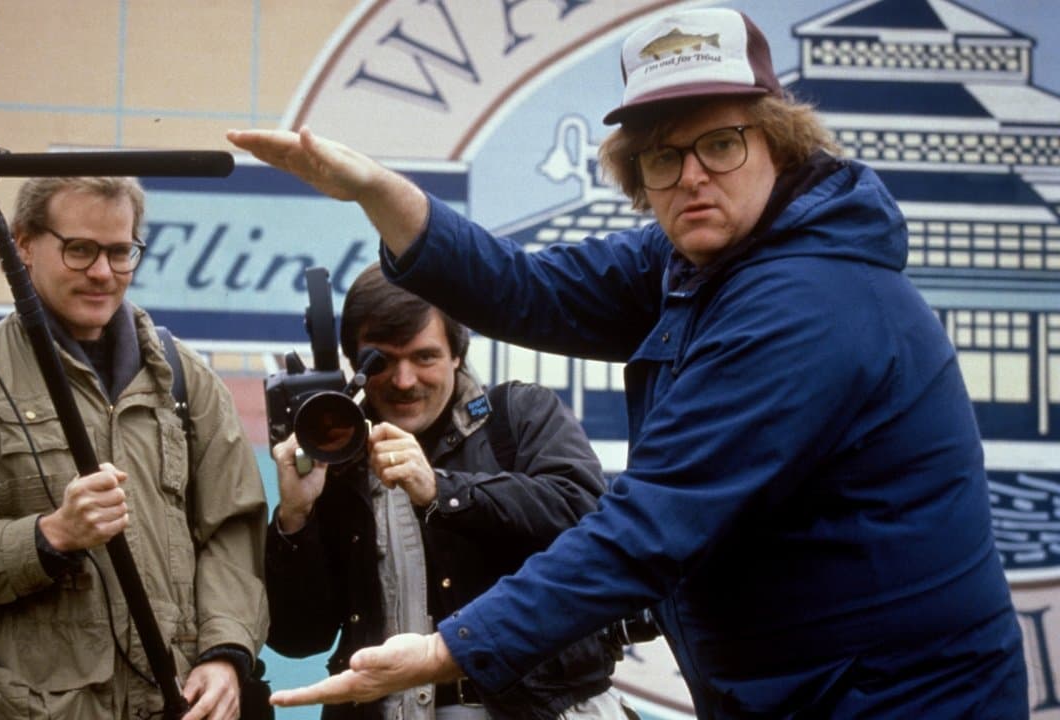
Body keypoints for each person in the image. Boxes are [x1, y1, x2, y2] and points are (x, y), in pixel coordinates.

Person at [228, 6, 1027, 717]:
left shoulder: (805, 304)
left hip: (890, 695)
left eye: (721, 143)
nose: (692, 177)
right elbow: (525, 287)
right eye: (662, 156)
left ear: (779, 144)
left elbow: (647, 529)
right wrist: (375, 190)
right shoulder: (692, 260)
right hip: (800, 686)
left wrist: (448, 651)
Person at [0, 176, 269, 720]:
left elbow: (232, 532)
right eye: (80, 250)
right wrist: (47, 537)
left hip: (174, 701)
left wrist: (224, 653)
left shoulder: (185, 380)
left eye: (120, 252)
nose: (103, 272)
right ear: (22, 244)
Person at [265, 263, 632, 720]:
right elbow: (298, 637)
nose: (404, 381)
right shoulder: (334, 457)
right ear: (353, 362)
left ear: (457, 354)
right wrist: (295, 518)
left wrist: (443, 490)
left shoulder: (518, 414)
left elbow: (587, 519)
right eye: (380, 361)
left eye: (424, 357)